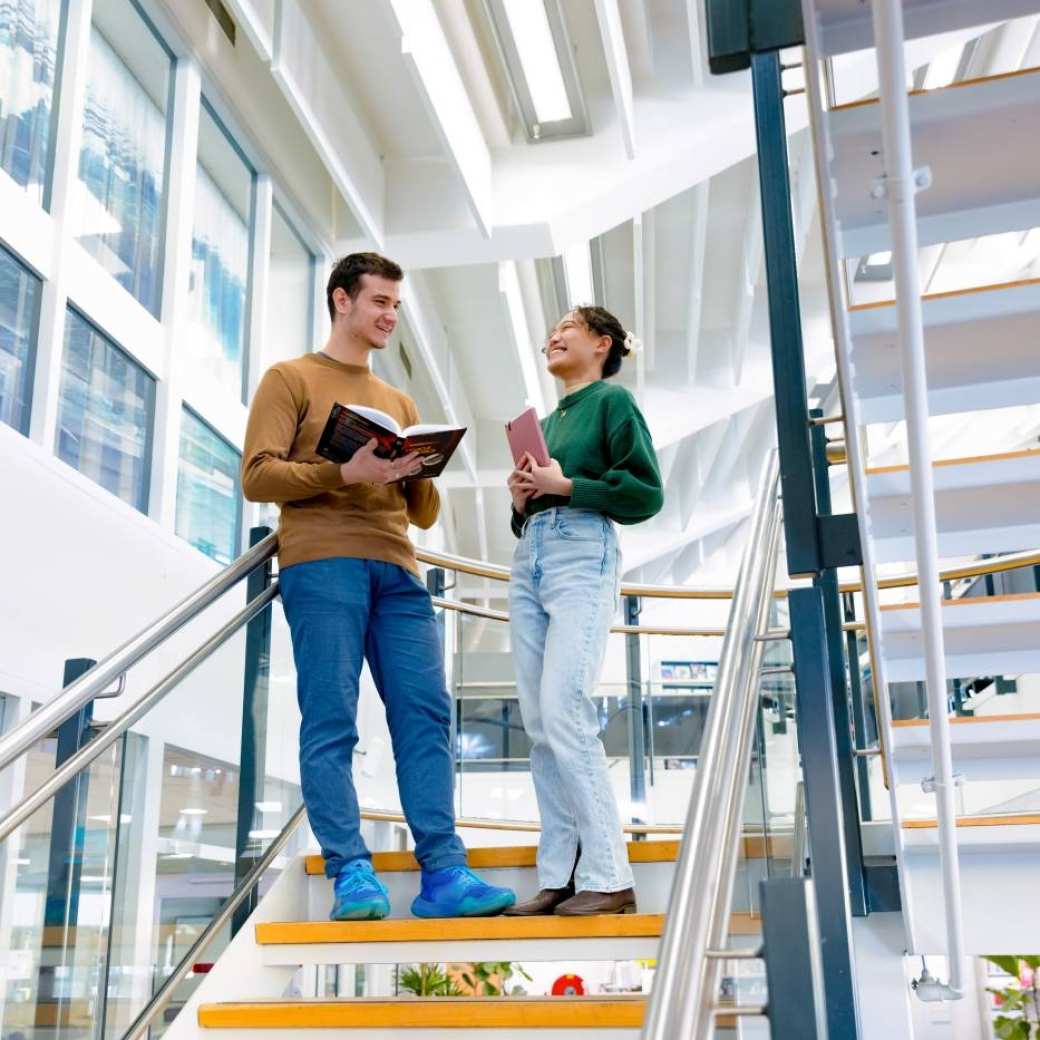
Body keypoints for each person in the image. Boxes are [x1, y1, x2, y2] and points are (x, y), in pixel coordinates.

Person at [242, 252, 514, 921]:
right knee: (331, 720)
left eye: (396, 305)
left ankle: (445, 876)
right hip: (322, 562)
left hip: (399, 570)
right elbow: (257, 475)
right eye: (380, 303)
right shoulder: (291, 378)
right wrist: (345, 473)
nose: (391, 315)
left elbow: (422, 515)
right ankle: (351, 873)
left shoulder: (398, 401)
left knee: (425, 717)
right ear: (342, 300)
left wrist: (410, 471)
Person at [504, 306, 664, 916]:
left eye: (568, 326)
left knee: (565, 710)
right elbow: (535, 507)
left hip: (580, 550)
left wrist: (567, 487)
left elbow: (646, 491)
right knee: (541, 724)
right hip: (534, 552)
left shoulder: (611, 404)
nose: (554, 334)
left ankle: (609, 875)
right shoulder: (546, 421)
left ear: (601, 344)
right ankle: (561, 875)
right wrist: (524, 498)